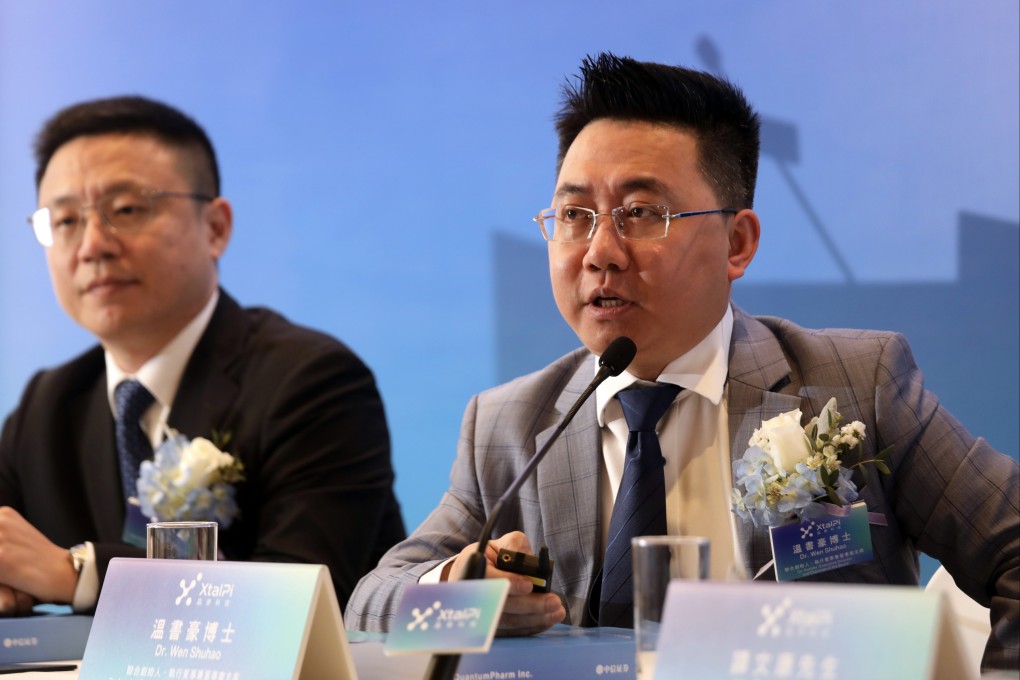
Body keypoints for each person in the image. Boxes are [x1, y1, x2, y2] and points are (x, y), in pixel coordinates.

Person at [344, 54, 1019, 670]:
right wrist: (466, 593)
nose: (599, 251)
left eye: (640, 213)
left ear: (737, 242)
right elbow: (370, 603)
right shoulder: (508, 425)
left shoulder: (853, 386)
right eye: (575, 215)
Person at [0, 95, 405, 615]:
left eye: (125, 210)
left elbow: (295, 598)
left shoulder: (311, 381)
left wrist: (74, 573)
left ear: (214, 227)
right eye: (65, 221)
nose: (92, 245)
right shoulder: (46, 405)